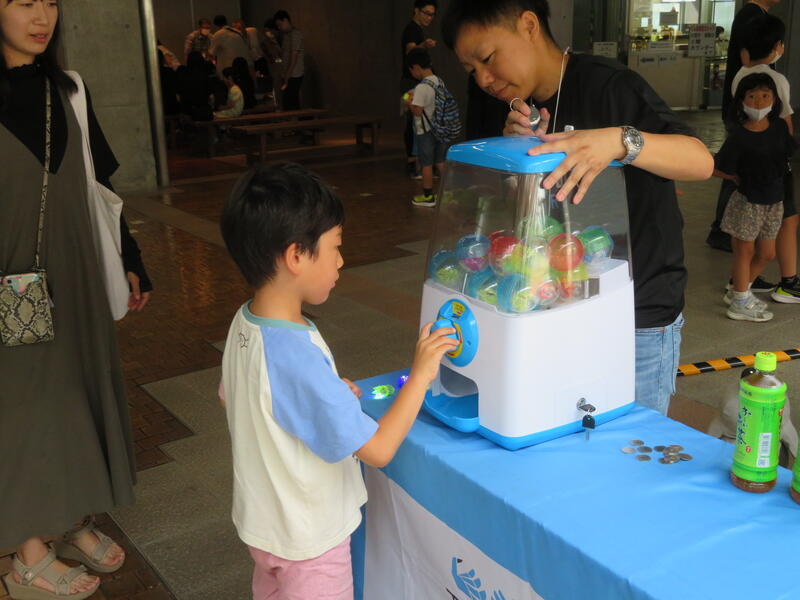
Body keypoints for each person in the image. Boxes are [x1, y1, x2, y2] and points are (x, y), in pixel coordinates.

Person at [442, 0, 714, 416]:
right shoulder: (523, 110)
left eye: (487, 58)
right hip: (564, 305)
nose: (483, 78)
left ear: (528, 25)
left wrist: (622, 141)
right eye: (471, 70)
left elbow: (700, 160)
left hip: (636, 315)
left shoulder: (611, 86)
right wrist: (520, 159)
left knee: (627, 453)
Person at [218, 163, 457, 599]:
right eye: (335, 247)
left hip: (263, 527)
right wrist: (420, 374)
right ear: (295, 256)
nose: (341, 261)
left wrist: (320, 403)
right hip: (310, 541)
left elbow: (238, 398)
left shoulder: (245, 321)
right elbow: (379, 450)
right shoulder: (297, 356)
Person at [0, 1, 152, 599]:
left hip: (75, 269)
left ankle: (66, 517)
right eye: (22, 2)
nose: (43, 16)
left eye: (50, 1)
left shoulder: (70, 89)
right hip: (10, 283)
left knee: (76, 390)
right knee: (22, 404)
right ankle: (25, 548)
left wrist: (131, 257)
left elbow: (98, 185)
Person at [713, 73, 796, 322]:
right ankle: (739, 301)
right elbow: (716, 165)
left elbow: (788, 154)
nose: (759, 102)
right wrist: (733, 178)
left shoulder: (780, 127)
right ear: (742, 101)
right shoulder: (739, 136)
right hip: (748, 203)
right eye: (752, 96)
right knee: (744, 252)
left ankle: (740, 290)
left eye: (764, 96)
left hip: (775, 201)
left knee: (767, 253)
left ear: (774, 99)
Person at [730, 15, 800, 303]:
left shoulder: (740, 76)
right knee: (789, 220)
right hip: (774, 166)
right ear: (777, 47)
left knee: (749, 235)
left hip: (751, 166)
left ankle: (746, 279)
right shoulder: (776, 79)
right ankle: (788, 282)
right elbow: (785, 121)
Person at [709, 0, 780, 252]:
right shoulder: (751, 16)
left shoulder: (753, 14)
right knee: (736, 170)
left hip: (744, 107)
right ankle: (724, 230)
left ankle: (729, 229)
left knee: (738, 168)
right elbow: (746, 57)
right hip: (745, 110)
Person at [406, 49, 449, 207]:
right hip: (441, 128)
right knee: (440, 162)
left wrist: (409, 103)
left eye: (412, 70)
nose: (412, 74)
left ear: (416, 67)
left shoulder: (422, 87)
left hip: (426, 131)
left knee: (426, 164)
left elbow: (417, 111)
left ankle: (428, 196)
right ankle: (449, 193)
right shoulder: (439, 81)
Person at [400, 1, 437, 178]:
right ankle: (413, 161)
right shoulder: (412, 29)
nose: (429, 17)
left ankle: (419, 163)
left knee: (420, 124)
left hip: (414, 85)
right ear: (416, 11)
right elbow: (410, 51)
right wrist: (424, 46)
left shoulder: (430, 83)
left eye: (432, 14)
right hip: (411, 84)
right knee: (415, 122)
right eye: (426, 13)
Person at [274, 10, 304, 111]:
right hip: (287, 73)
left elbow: (294, 56)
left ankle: (297, 124)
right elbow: (284, 54)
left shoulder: (296, 34)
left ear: (286, 20)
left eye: (280, 24)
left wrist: (288, 74)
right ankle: (294, 123)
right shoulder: (286, 35)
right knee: (288, 101)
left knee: (291, 101)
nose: (279, 28)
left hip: (294, 74)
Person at [177, 50, 213, 120]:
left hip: (188, 111)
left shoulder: (184, 74)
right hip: (204, 112)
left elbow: (178, 96)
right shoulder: (205, 76)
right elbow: (211, 97)